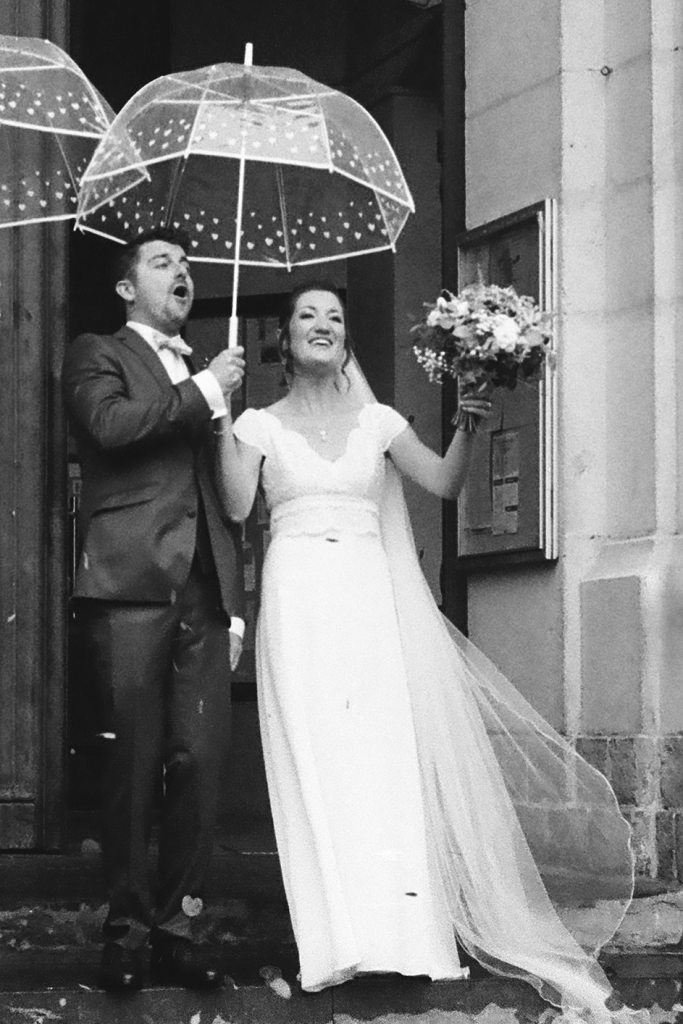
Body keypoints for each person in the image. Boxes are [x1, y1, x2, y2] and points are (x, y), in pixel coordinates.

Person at [213, 280, 645, 1023]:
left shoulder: (377, 420)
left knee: (378, 760)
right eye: (306, 317)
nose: (322, 326)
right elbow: (235, 504)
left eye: (335, 318)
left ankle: (405, 939)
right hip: (297, 599)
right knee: (315, 758)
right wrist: (220, 412)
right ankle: (335, 941)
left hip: (366, 596)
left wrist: (469, 423)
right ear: (282, 342)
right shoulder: (255, 424)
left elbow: (441, 483)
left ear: (345, 343)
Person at [63, 227, 246, 992]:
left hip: (203, 592)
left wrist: (234, 602)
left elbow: (219, 493)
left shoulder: (208, 368)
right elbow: (109, 427)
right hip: (130, 582)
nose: (184, 274)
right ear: (125, 287)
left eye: (188, 265)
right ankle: (125, 933)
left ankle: (178, 930)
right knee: (133, 763)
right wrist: (201, 392)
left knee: (198, 765)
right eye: (164, 263)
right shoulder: (95, 351)